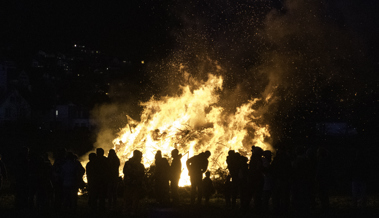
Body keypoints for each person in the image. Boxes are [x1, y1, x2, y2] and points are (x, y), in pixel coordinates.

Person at [123, 150, 145, 215]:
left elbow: (124, 171)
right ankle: (132, 211)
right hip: (133, 184)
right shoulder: (138, 165)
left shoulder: (128, 163)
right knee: (133, 198)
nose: (141, 158)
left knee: (129, 198)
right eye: (140, 156)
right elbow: (141, 174)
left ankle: (128, 210)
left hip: (131, 183)